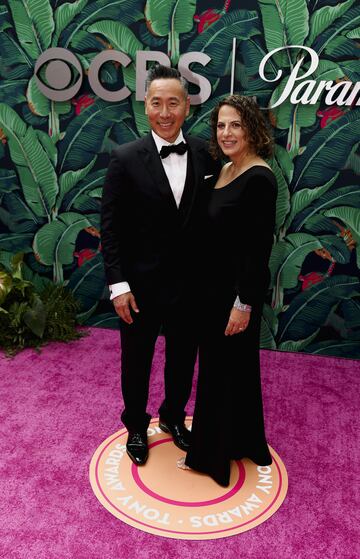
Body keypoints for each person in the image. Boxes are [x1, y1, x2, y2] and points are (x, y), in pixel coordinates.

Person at [101, 64, 221, 466]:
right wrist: (118, 285)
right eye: (157, 103)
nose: (165, 112)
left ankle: (173, 416)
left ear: (187, 106)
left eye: (173, 102)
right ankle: (136, 425)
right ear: (145, 107)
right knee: (136, 360)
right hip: (140, 286)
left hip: (191, 286)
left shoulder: (208, 153)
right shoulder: (124, 158)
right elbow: (111, 226)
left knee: (184, 358)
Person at [177, 95, 277, 487]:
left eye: (235, 124)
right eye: (221, 125)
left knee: (221, 374)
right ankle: (244, 440)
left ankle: (212, 458)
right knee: (231, 372)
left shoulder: (258, 178)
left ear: (252, 128)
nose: (227, 132)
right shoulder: (224, 171)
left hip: (233, 298)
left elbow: (257, 250)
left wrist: (243, 302)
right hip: (209, 293)